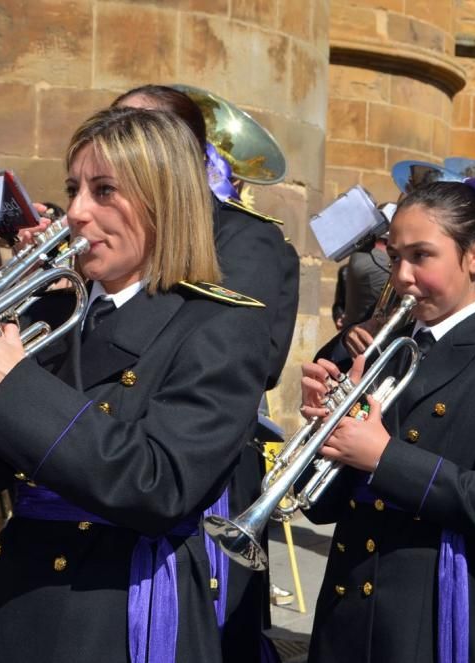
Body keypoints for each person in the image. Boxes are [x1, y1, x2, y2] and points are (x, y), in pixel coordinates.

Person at [0, 106, 268, 662]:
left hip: (121, 612)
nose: (75, 212)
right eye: (73, 188)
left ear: (162, 199)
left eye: (104, 191)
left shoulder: (220, 324)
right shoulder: (49, 311)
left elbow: (160, 485)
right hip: (14, 601)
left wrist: (10, 383)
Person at [300, 179, 475, 662]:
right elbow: (321, 507)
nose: (401, 276)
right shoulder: (385, 348)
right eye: (394, 256)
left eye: (422, 256)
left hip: (434, 617)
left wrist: (383, 457)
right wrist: (324, 431)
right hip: (347, 610)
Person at [111, 84, 300, 663]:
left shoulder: (248, 238)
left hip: (199, 467)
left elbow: (256, 359)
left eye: (132, 132)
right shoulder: (107, 229)